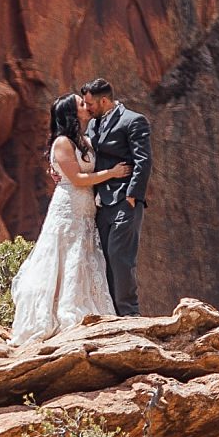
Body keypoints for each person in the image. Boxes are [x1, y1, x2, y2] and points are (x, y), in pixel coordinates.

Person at [8, 93, 132, 344]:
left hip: (87, 207)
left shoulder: (84, 141)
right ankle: (59, 314)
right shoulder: (63, 143)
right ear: (70, 113)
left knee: (83, 254)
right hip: (68, 206)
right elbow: (77, 179)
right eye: (80, 105)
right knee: (65, 252)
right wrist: (113, 173)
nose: (86, 107)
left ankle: (86, 307)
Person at [80, 78, 152, 316]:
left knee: (121, 257)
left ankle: (130, 313)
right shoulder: (92, 126)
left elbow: (143, 160)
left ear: (104, 100)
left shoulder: (133, 121)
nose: (87, 108)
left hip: (124, 201)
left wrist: (133, 195)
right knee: (103, 259)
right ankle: (111, 312)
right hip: (100, 203)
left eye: (90, 103)